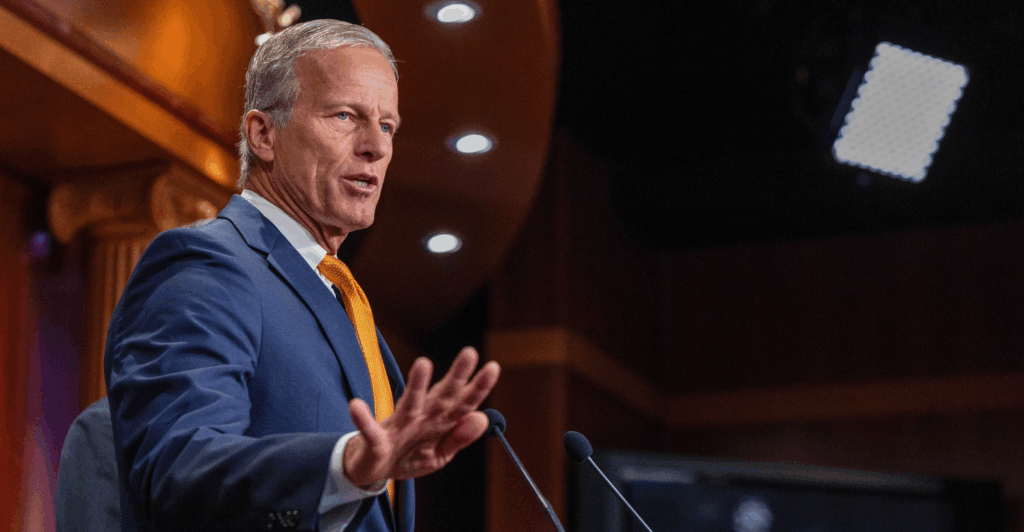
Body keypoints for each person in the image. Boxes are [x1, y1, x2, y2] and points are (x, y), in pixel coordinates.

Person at [104, 20, 500, 532]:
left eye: (386, 126)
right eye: (345, 115)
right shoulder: (205, 265)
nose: (375, 148)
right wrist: (344, 465)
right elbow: (177, 468)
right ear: (263, 134)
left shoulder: (339, 297)